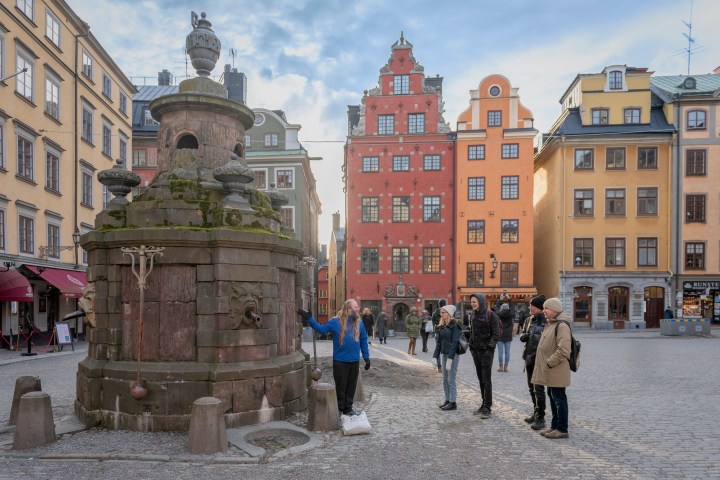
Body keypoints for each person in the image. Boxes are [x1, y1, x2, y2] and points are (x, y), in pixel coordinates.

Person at [298, 299, 371, 417]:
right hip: (340, 361)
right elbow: (321, 330)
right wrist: (310, 319)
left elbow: (363, 340)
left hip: (354, 361)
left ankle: (348, 409)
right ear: (349, 309)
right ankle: (339, 409)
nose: (358, 309)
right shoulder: (335, 322)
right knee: (341, 387)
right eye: (356, 307)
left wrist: (366, 358)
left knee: (351, 387)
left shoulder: (359, 323)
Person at [531, 297, 571, 439]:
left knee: (559, 399)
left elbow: (564, 349)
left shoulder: (562, 326)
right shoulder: (552, 323)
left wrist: (549, 362)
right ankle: (554, 426)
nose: (544, 311)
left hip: (556, 369)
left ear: (553, 310)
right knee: (553, 398)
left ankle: (562, 429)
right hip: (551, 370)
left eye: (546, 308)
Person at [467, 293, 500, 418]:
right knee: (481, 379)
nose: (472, 304)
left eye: (474, 302)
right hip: (476, 352)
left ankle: (487, 407)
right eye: (471, 302)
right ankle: (483, 403)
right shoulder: (473, 316)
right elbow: (472, 332)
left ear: (480, 302)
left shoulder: (491, 315)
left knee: (486, 380)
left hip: (486, 352)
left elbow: (496, 334)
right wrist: (471, 346)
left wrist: (489, 349)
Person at [519, 294, 547, 431]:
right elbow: (523, 332)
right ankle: (536, 413)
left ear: (540, 308)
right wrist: (524, 336)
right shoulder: (529, 320)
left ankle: (541, 417)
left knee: (539, 389)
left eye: (532, 305)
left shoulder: (547, 322)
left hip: (540, 360)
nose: (529, 307)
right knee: (531, 388)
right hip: (529, 358)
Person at [433, 304, 462, 411]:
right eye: (441, 312)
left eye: (443, 312)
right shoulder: (442, 326)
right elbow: (438, 343)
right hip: (444, 355)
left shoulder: (455, 325)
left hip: (453, 356)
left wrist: (450, 358)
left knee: (451, 379)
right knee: (445, 379)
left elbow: (454, 343)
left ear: (449, 313)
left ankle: (453, 402)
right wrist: (435, 356)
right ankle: (447, 399)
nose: (441, 314)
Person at [497, 303, 514, 372]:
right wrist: (509, 299)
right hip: (508, 335)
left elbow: (496, 308)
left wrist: (500, 300)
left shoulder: (499, 314)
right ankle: (506, 367)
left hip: (500, 335)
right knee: (507, 352)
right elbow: (512, 307)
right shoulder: (511, 314)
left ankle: (501, 367)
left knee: (500, 352)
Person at [431, 299, 447, 372]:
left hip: (437, 332)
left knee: (438, 347)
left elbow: (433, 323)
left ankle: (439, 367)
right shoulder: (447, 312)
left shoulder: (435, 313)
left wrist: (435, 329)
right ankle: (446, 366)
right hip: (446, 331)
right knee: (446, 348)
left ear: (439, 304)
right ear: (445, 304)